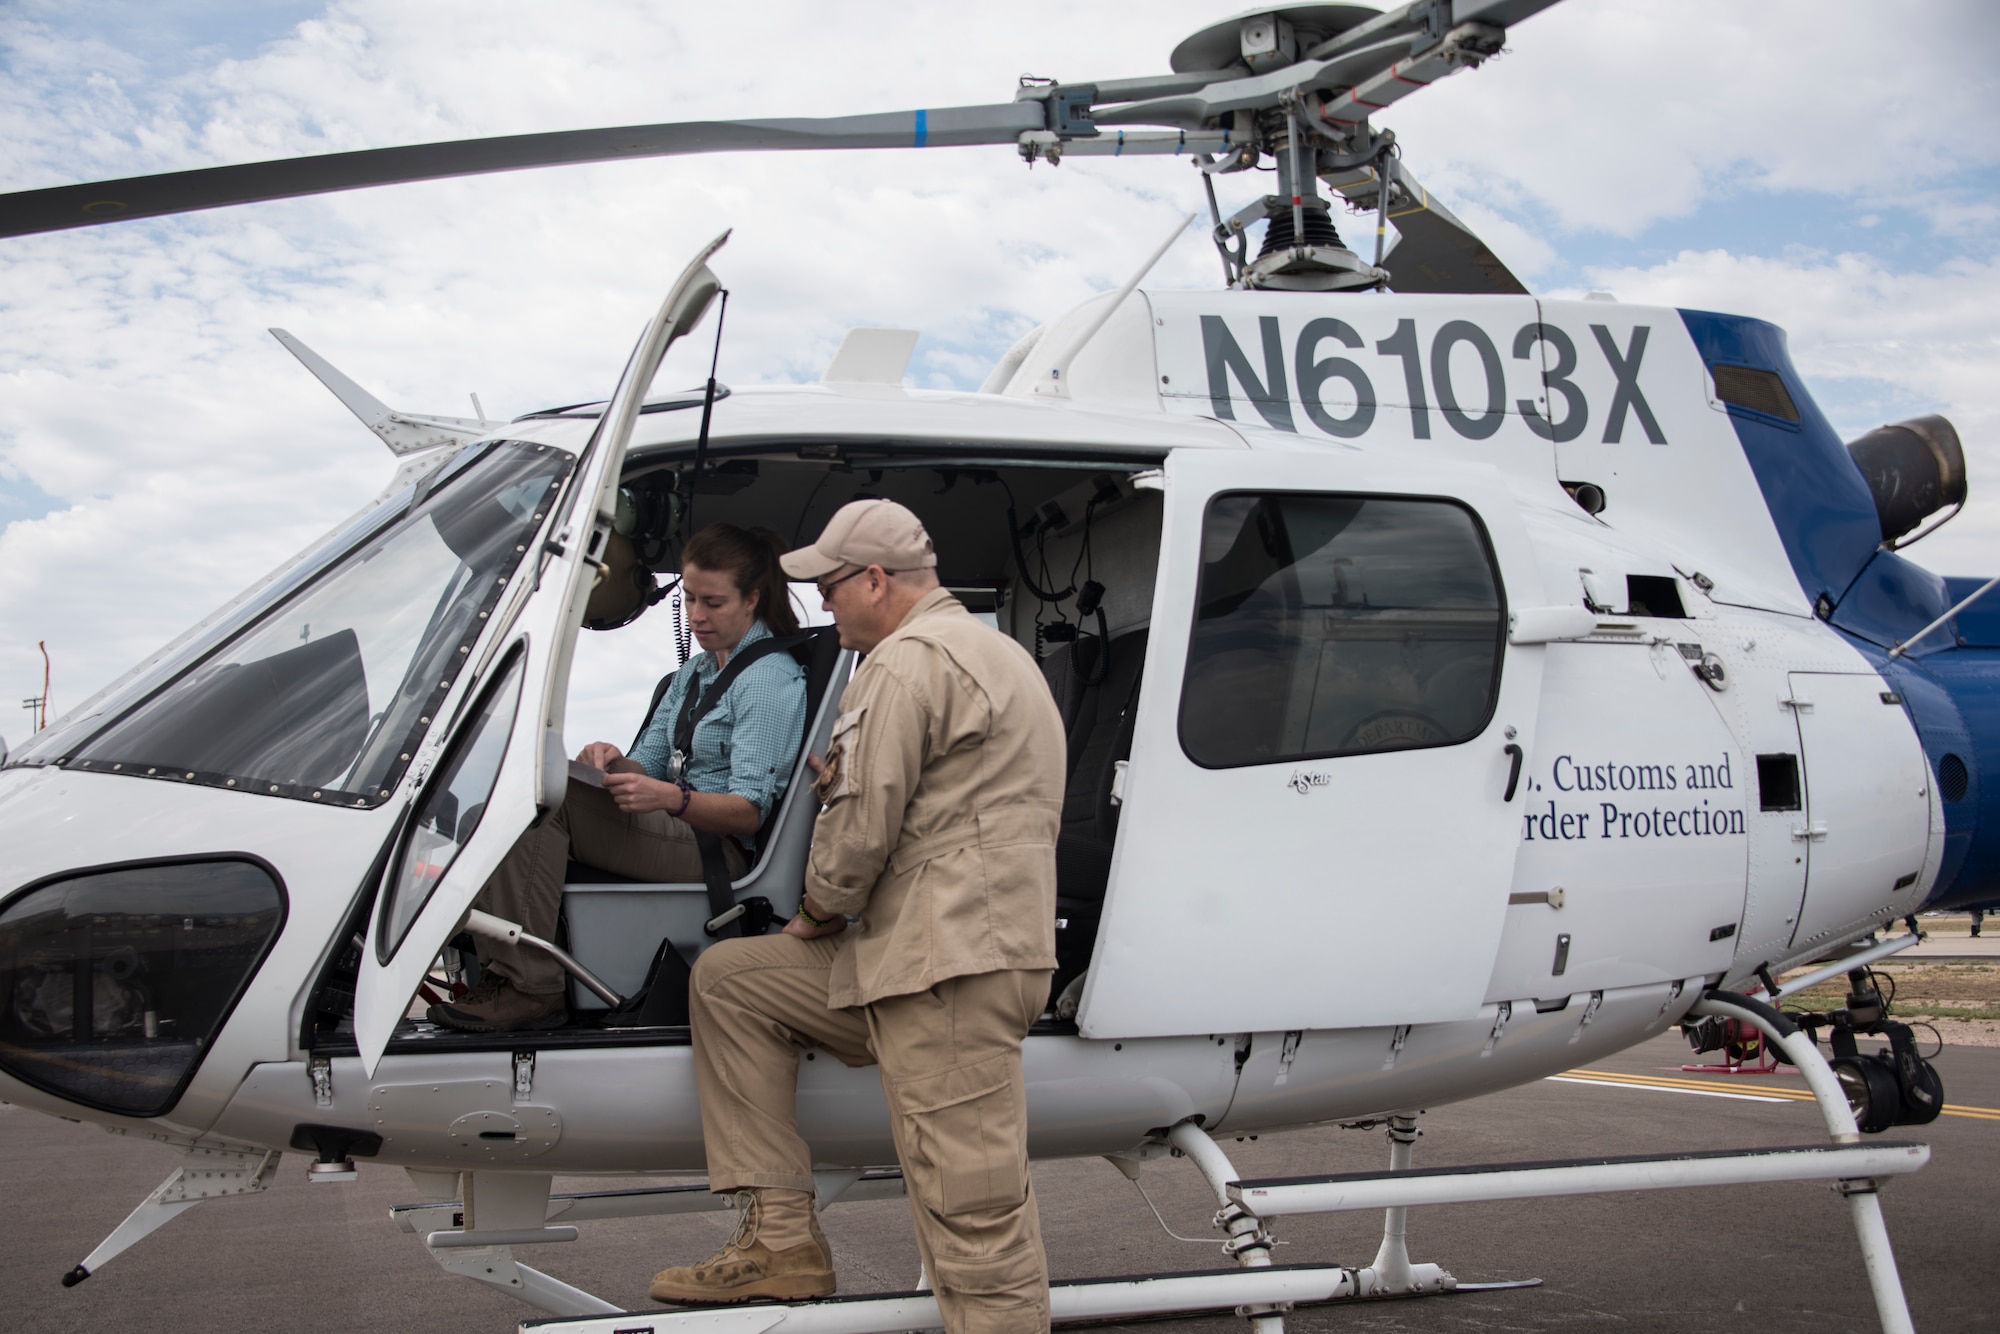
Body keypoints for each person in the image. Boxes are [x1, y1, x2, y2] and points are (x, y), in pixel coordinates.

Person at [647, 499, 1067, 1334]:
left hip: (949, 967)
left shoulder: (907, 663)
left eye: (832, 588)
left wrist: (815, 912)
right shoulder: (993, 651)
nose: (822, 606)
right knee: (733, 979)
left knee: (970, 1209)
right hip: (924, 954)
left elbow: (860, 825)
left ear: (875, 580)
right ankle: (782, 1241)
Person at [429, 523, 809, 1033]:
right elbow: (646, 767)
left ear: (752, 599)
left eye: (713, 603)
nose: (696, 616)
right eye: (690, 599)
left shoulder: (767, 678)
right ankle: (502, 969)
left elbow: (748, 811)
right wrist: (611, 763)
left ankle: (529, 990)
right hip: (677, 825)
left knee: (545, 801)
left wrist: (670, 798)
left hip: (720, 850)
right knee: (519, 793)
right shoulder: (693, 675)